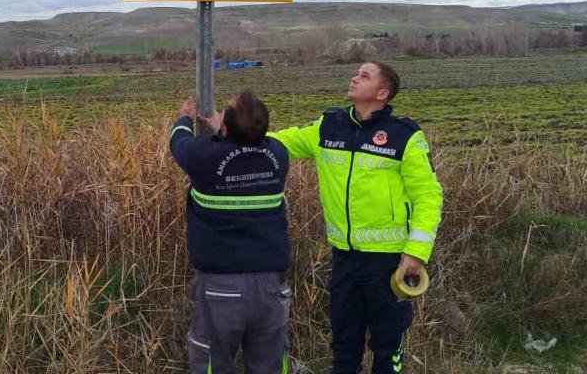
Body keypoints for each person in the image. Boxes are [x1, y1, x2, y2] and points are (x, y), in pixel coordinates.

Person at [269, 61, 443, 374]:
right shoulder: (328, 126)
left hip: (388, 261)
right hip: (344, 258)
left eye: (364, 76)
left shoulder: (404, 136)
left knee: (387, 345)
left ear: (382, 93)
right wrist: (233, 131)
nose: (354, 78)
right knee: (344, 343)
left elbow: (428, 196)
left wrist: (416, 253)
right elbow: (281, 141)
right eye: (356, 73)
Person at [170, 91, 292, 374]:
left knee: (213, 362)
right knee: (270, 364)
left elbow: (180, 143)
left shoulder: (204, 157)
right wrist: (222, 129)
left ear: (225, 129)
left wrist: (184, 119)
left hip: (220, 286)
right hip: (270, 286)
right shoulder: (278, 154)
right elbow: (246, 149)